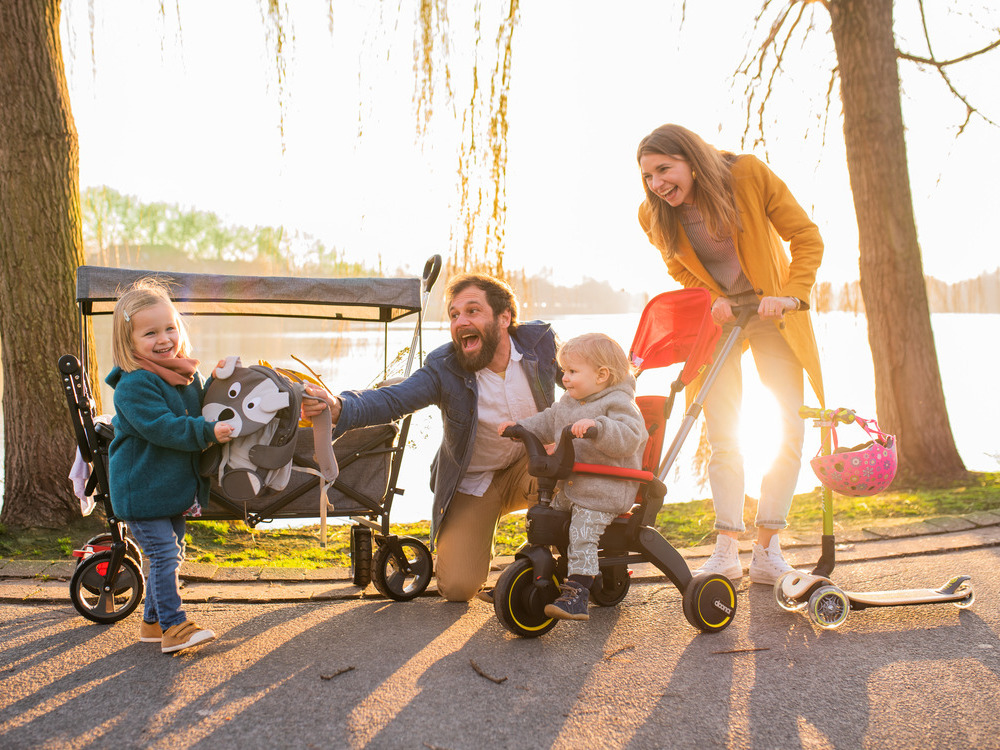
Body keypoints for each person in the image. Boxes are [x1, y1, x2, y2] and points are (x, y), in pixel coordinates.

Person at [636, 123, 824, 585]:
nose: (657, 184)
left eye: (664, 169)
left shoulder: (748, 176)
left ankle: (767, 549)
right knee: (723, 434)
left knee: (788, 428)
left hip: (773, 309)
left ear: (692, 161)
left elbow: (807, 237)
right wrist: (707, 293)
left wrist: (792, 295)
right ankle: (725, 550)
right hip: (718, 321)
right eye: (647, 176)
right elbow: (677, 265)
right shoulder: (653, 214)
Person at [302, 273, 559, 602]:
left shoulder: (541, 343)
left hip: (532, 468)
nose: (460, 321)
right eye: (454, 315)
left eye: (472, 311)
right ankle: (480, 540)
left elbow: (584, 381)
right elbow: (395, 400)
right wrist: (339, 407)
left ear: (504, 317)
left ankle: (566, 567)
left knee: (580, 466)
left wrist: (617, 391)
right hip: (474, 482)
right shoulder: (445, 367)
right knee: (457, 588)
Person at [107, 278, 233, 653]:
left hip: (168, 490)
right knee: (164, 555)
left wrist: (217, 380)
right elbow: (164, 427)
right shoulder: (135, 386)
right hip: (142, 490)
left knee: (169, 550)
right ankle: (174, 627)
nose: (164, 339)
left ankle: (151, 623)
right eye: (150, 333)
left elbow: (194, 407)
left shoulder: (182, 377)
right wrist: (208, 432)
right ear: (129, 342)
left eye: (170, 328)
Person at [498, 333, 646, 621]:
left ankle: (578, 592)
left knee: (582, 532)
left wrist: (598, 427)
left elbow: (630, 436)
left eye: (573, 372)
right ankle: (522, 579)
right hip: (574, 487)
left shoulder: (618, 403)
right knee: (543, 521)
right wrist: (520, 427)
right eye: (564, 371)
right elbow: (547, 420)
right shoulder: (569, 401)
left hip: (606, 489)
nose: (564, 378)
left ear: (602, 375)